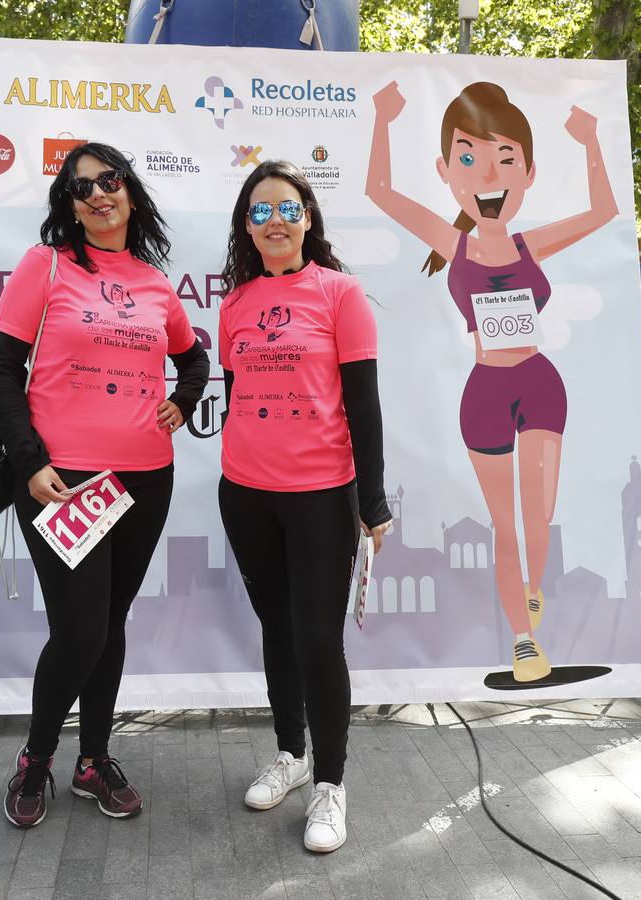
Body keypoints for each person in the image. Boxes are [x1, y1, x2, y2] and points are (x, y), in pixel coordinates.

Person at [0, 141, 210, 828]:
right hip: (65, 481)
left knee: (108, 625)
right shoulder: (44, 267)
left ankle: (93, 760)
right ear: (70, 208)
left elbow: (194, 357)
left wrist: (187, 395)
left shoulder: (153, 282)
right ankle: (36, 758)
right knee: (80, 631)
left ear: (131, 192)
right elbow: (2, 374)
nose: (98, 195)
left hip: (147, 477)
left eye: (109, 181)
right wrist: (28, 462)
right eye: (81, 189)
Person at [366, 80, 617, 683]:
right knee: (506, 526)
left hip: (539, 386)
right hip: (484, 395)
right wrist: (382, 119)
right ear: (448, 171)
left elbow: (604, 212)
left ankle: (530, 590)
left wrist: (590, 140)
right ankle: (526, 644)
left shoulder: (532, 243)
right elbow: (378, 191)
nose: (488, 174)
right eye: (470, 159)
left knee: (538, 519)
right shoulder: (453, 245)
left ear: (527, 173)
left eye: (505, 159)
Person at [218, 160, 390, 853]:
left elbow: (364, 405)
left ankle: (330, 785)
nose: (275, 222)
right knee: (278, 631)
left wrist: (371, 500)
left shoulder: (341, 294)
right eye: (259, 212)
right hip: (245, 493)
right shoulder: (233, 303)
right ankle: (291, 754)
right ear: (246, 228)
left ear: (309, 217)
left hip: (322, 495)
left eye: (287, 208)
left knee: (319, 639)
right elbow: (234, 392)